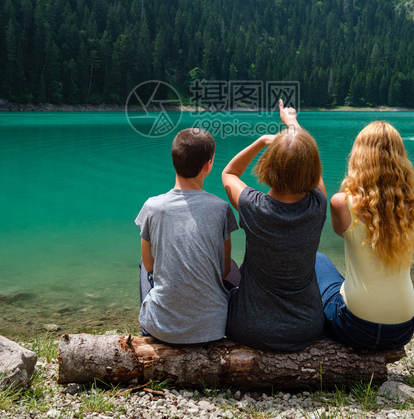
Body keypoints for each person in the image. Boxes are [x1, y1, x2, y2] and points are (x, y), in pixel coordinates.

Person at [222, 100, 327, 352]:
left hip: (249, 328)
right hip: (308, 327)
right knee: (322, 261)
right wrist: (291, 123)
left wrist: (261, 142)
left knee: (230, 271)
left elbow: (229, 174)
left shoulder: (252, 205)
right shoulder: (318, 204)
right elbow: (311, 171)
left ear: (268, 165)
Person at [315, 120, 414, 350]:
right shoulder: (410, 207)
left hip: (356, 328)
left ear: (359, 157)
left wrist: (294, 128)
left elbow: (320, 201)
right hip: (403, 330)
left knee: (318, 260)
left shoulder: (342, 203)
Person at [135, 127, 238, 344]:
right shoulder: (221, 208)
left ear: (174, 161)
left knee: (144, 266)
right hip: (214, 329)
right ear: (208, 165)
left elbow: (149, 265)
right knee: (233, 265)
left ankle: (157, 319)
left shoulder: (153, 207)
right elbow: (224, 270)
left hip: (161, 330)